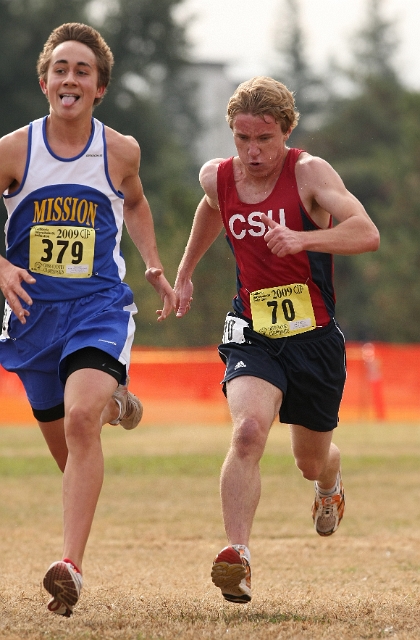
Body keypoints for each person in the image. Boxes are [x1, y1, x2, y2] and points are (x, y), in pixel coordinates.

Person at [174, 76, 380, 603]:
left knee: (310, 460)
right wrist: (185, 274)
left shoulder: (309, 173)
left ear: (286, 132)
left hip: (312, 338)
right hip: (252, 331)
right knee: (247, 434)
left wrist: (304, 237)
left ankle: (329, 484)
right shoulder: (216, 176)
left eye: (264, 138)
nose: (252, 151)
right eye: (242, 139)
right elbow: (212, 209)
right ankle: (237, 557)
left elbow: (366, 232)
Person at [0, 23, 176, 617]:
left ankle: (69, 567)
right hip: (31, 318)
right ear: (45, 79)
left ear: (99, 87)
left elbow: (136, 199)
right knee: (70, 448)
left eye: (82, 71)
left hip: (98, 307)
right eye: (61, 68)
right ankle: (116, 401)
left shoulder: (119, 150)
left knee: (80, 421)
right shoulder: (12, 151)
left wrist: (152, 263)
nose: (69, 79)